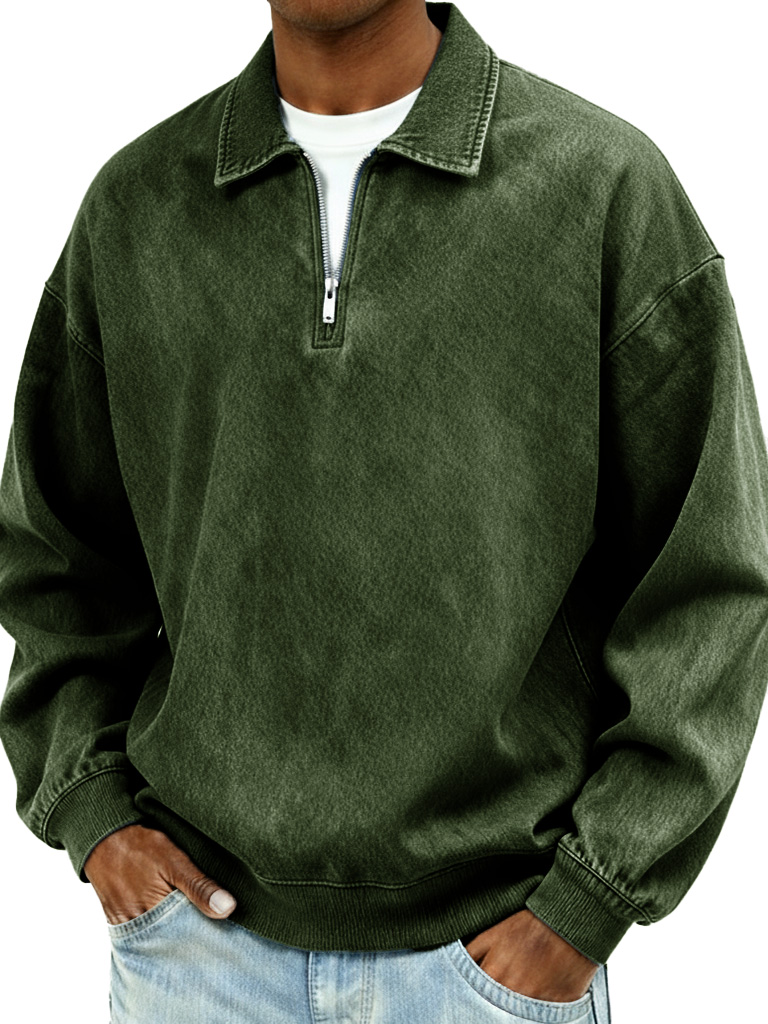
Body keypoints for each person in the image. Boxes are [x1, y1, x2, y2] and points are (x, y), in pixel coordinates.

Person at [0, 1, 766, 1021]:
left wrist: (589, 900)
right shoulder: (137, 208)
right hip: (198, 961)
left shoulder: (602, 191)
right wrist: (94, 814)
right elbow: (56, 559)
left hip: (490, 964)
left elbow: (712, 578)